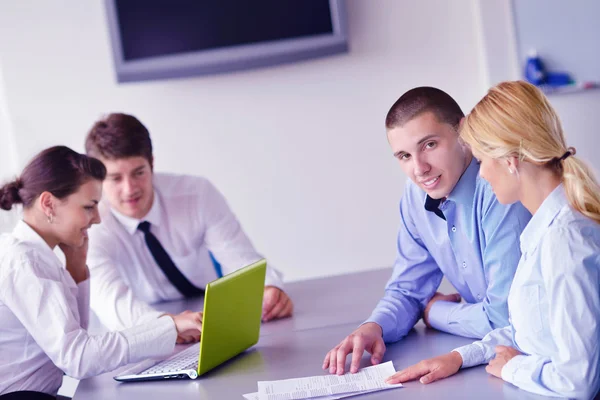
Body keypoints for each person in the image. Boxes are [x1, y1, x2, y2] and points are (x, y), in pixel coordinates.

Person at [387, 80, 600, 399]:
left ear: (511, 161)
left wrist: (513, 368)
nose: (482, 174)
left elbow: (579, 381)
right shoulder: (542, 231)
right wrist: (459, 357)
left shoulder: (565, 241)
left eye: (484, 160)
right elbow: (527, 331)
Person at [323, 87, 531, 375]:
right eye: (404, 156)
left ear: (463, 131)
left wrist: (434, 312)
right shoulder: (415, 196)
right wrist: (374, 327)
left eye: (429, 145)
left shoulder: (500, 189)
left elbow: (505, 318)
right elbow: (408, 290)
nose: (419, 169)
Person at [0, 146, 202, 398]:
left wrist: (76, 271)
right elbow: (78, 359)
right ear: (49, 204)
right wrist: (168, 326)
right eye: (89, 206)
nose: (97, 218)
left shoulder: (37, 255)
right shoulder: (25, 261)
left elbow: (74, 340)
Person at [84, 113, 292, 334]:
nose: (130, 189)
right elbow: (110, 303)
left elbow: (240, 259)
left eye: (139, 173)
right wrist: (168, 326)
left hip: (212, 319)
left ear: (152, 163)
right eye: (116, 178)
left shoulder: (197, 194)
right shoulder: (90, 224)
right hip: (144, 330)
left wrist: (266, 289)